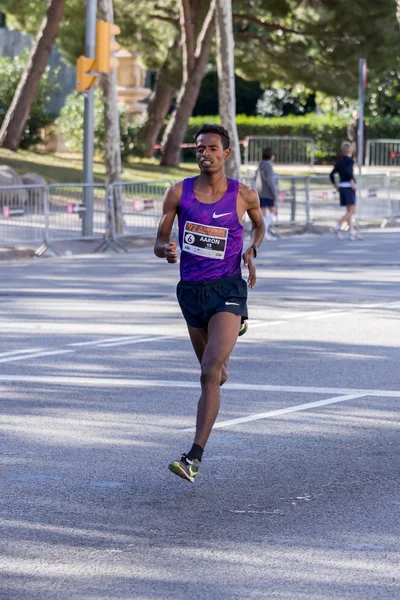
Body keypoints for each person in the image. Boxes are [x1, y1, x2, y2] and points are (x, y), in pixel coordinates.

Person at [154, 124, 265, 483]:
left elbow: (259, 227)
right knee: (213, 370)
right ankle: (223, 350)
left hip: (228, 288)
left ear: (226, 153)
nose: (205, 154)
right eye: (200, 148)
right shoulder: (177, 193)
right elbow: (159, 240)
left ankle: (193, 458)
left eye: (213, 148)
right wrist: (166, 250)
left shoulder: (243, 195)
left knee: (208, 372)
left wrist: (252, 250)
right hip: (191, 292)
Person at [330, 141, 362, 241]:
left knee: (348, 210)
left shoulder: (339, 162)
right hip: (348, 186)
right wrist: (352, 181)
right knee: (352, 210)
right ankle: (338, 226)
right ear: (350, 151)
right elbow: (348, 171)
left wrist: (335, 185)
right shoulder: (349, 161)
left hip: (342, 186)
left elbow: (331, 174)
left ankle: (352, 232)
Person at [255, 147, 279, 241]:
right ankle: (263, 232)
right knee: (273, 211)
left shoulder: (261, 165)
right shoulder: (268, 165)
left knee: (263, 213)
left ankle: (264, 232)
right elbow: (270, 181)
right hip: (266, 193)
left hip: (260, 192)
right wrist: (274, 194)